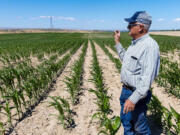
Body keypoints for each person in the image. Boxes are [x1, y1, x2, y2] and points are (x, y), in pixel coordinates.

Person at [114, 11, 160, 135]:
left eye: (130, 25)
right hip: (126, 91)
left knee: (140, 128)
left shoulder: (149, 46)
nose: (127, 27)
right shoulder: (135, 44)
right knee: (127, 124)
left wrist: (133, 99)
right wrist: (117, 43)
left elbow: (147, 78)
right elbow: (126, 61)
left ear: (140, 27)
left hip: (136, 95)